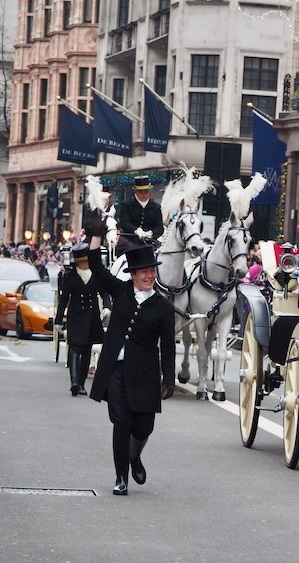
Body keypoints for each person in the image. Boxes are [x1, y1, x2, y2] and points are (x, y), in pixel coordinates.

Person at [85, 213, 176, 496]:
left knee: (143, 426)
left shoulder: (163, 307)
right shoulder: (121, 290)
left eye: (152, 271)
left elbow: (169, 345)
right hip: (116, 370)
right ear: (133, 275)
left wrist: (169, 379)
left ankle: (135, 456)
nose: (149, 276)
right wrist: (96, 238)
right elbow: (97, 268)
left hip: (146, 373)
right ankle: (120, 476)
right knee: (121, 422)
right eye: (144, 272)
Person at [54, 243, 111, 396]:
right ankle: (74, 382)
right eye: (82, 262)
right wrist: (59, 320)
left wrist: (107, 307)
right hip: (76, 316)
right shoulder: (69, 276)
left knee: (86, 350)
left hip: (92, 316)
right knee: (75, 348)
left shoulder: (97, 274)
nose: (85, 264)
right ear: (78, 262)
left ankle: (81, 383)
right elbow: (64, 298)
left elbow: (105, 293)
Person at [115, 176, 164, 257]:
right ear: (135, 191)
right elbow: (124, 222)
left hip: (149, 241)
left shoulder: (156, 207)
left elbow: (159, 227)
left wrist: (151, 233)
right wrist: (136, 231)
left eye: (146, 192)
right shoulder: (126, 205)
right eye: (141, 192)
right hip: (129, 240)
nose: (144, 195)